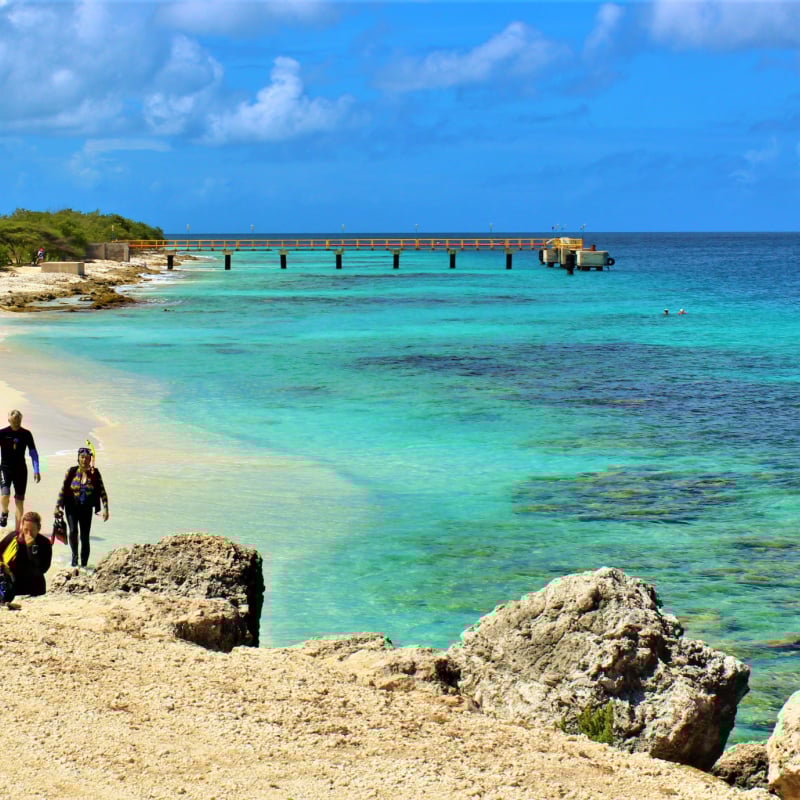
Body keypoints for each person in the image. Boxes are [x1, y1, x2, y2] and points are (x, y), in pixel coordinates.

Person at [55, 445, 109, 568]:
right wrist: (57, 506)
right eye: (82, 457)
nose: (84, 460)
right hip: (71, 507)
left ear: (90, 460)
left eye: (87, 458)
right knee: (73, 531)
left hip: (86, 508)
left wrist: (106, 509)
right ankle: (75, 560)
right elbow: (63, 489)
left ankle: (84, 565)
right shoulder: (71, 472)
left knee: (85, 537)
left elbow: (102, 492)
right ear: (78, 458)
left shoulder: (95, 474)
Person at [0, 410, 41, 530]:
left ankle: (17, 530)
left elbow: (33, 453)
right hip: (5, 469)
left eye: (18, 421)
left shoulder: (26, 434)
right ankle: (4, 512)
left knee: (19, 501)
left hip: (21, 470)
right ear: (9, 420)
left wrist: (36, 470)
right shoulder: (2, 433)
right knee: (5, 494)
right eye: (14, 421)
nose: (16, 423)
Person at [0, 511, 53, 596]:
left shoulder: (44, 543)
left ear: (38, 529)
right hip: (13, 584)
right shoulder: (14, 538)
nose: (28, 534)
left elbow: (43, 568)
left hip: (34, 587)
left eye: (32, 530)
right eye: (26, 530)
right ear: (22, 527)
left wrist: (31, 548)